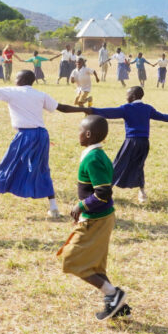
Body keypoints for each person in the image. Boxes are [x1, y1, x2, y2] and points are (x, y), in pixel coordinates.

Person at [0, 70, 85, 218]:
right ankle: (54, 208)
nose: (14, 80)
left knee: (5, 167)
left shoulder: (13, 91)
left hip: (25, 135)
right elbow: (62, 108)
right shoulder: (40, 94)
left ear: (21, 80)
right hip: (42, 135)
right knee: (42, 169)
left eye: (16, 77)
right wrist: (85, 109)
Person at [56, 114, 130, 321]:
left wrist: (81, 205)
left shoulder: (94, 158)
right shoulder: (95, 154)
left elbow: (103, 193)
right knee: (95, 265)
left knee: (71, 260)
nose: (78, 134)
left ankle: (113, 294)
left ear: (88, 134)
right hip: (98, 217)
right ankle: (118, 305)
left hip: (96, 219)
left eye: (80, 130)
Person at [86, 86, 168, 203]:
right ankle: (142, 192)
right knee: (139, 166)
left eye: (127, 95)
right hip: (144, 143)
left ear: (133, 96)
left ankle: (104, 192)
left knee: (117, 165)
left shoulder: (127, 108)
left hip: (131, 142)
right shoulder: (147, 108)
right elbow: (163, 117)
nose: (125, 97)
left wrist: (93, 110)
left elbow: (109, 112)